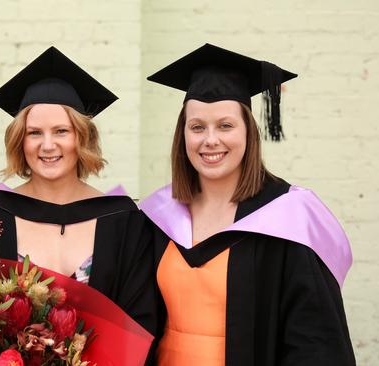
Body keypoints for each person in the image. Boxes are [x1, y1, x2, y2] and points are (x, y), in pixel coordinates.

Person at [140, 43, 355, 366]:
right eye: (197, 127)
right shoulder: (157, 216)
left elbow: (314, 343)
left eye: (225, 125)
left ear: (249, 133)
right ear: (182, 136)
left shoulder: (288, 218)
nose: (210, 139)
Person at [0, 46, 157, 340]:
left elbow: (141, 322)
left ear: (82, 137)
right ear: (19, 141)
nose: (47, 145)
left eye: (61, 131)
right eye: (34, 133)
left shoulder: (122, 220)